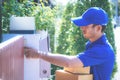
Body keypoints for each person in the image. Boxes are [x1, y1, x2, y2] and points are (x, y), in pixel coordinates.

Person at [25, 7, 115, 80]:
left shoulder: (102, 50)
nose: (81, 28)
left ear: (98, 28)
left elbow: (70, 63)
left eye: (86, 25)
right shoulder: (92, 45)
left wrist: (38, 54)